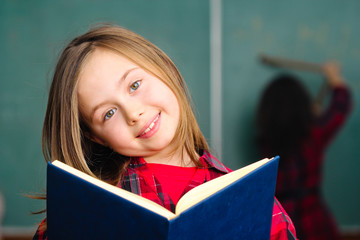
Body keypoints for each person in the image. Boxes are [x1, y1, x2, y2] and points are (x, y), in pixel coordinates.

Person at [33, 23, 297, 240]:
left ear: (162, 67)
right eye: (108, 113)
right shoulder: (87, 210)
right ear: (95, 136)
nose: (133, 113)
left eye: (134, 84)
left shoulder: (253, 199)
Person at [255, 61, 352, 240]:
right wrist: (334, 78)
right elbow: (341, 106)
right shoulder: (313, 135)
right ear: (304, 106)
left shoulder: (265, 142)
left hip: (279, 219)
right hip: (313, 220)